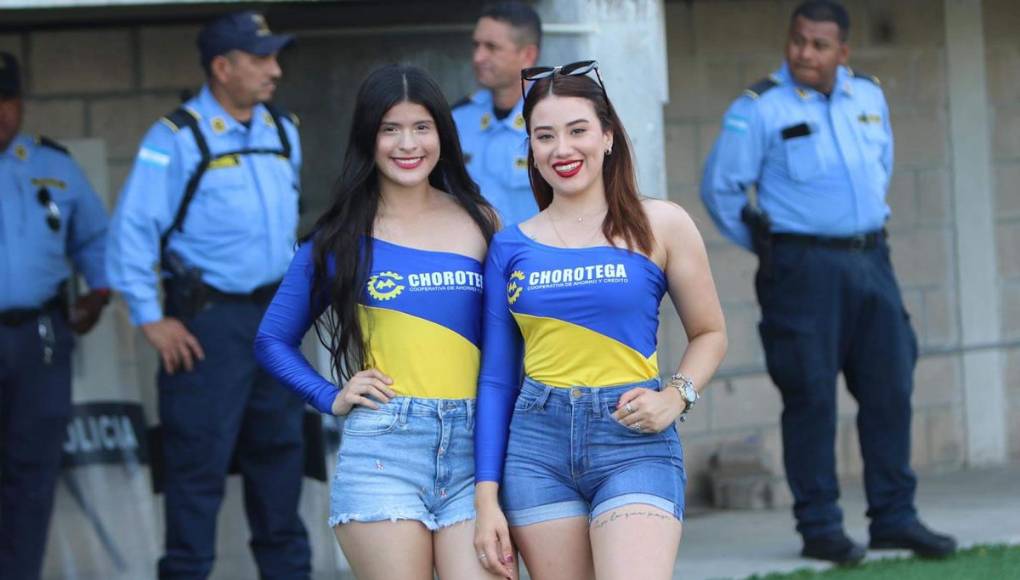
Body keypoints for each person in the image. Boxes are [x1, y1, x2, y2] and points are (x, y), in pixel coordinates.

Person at [700, 0, 957, 565]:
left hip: (871, 258)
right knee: (810, 393)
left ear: (843, 51)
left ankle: (894, 516)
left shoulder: (868, 96)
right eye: (798, 41)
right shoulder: (759, 107)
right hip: (801, 269)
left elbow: (881, 167)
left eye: (819, 45)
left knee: (890, 385)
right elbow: (720, 189)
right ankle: (819, 525)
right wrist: (775, 249)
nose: (805, 54)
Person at [473, 61, 728, 580]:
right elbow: (498, 379)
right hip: (536, 449)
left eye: (578, 130)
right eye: (544, 136)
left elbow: (710, 333)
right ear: (531, 148)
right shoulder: (509, 245)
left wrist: (675, 396)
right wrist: (486, 499)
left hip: (632, 439)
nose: (562, 149)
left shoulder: (662, 223)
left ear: (608, 136)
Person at [255, 64, 505, 580]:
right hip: (383, 452)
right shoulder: (339, 237)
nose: (407, 144)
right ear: (368, 137)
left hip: (476, 451)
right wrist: (330, 396)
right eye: (390, 128)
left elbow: (509, 347)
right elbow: (272, 339)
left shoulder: (481, 220)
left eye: (421, 127)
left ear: (442, 134)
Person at [105, 12, 311, 578]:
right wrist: (150, 318)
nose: (275, 69)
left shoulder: (283, 130)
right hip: (208, 325)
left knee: (281, 464)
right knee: (196, 472)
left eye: (275, 57)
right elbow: (131, 231)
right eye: (261, 58)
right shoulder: (175, 138)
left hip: (275, 322)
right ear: (222, 67)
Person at [0, 51, 111, 580]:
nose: (0, 112)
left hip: (38, 338)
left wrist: (98, 293)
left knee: (31, 472)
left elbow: (94, 238)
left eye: (7, 99)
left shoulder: (54, 164)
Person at [453, 1, 542, 226]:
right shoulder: (457, 118)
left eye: (491, 47)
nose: (478, 57)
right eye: (476, 45)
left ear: (528, 55)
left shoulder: (554, 119)